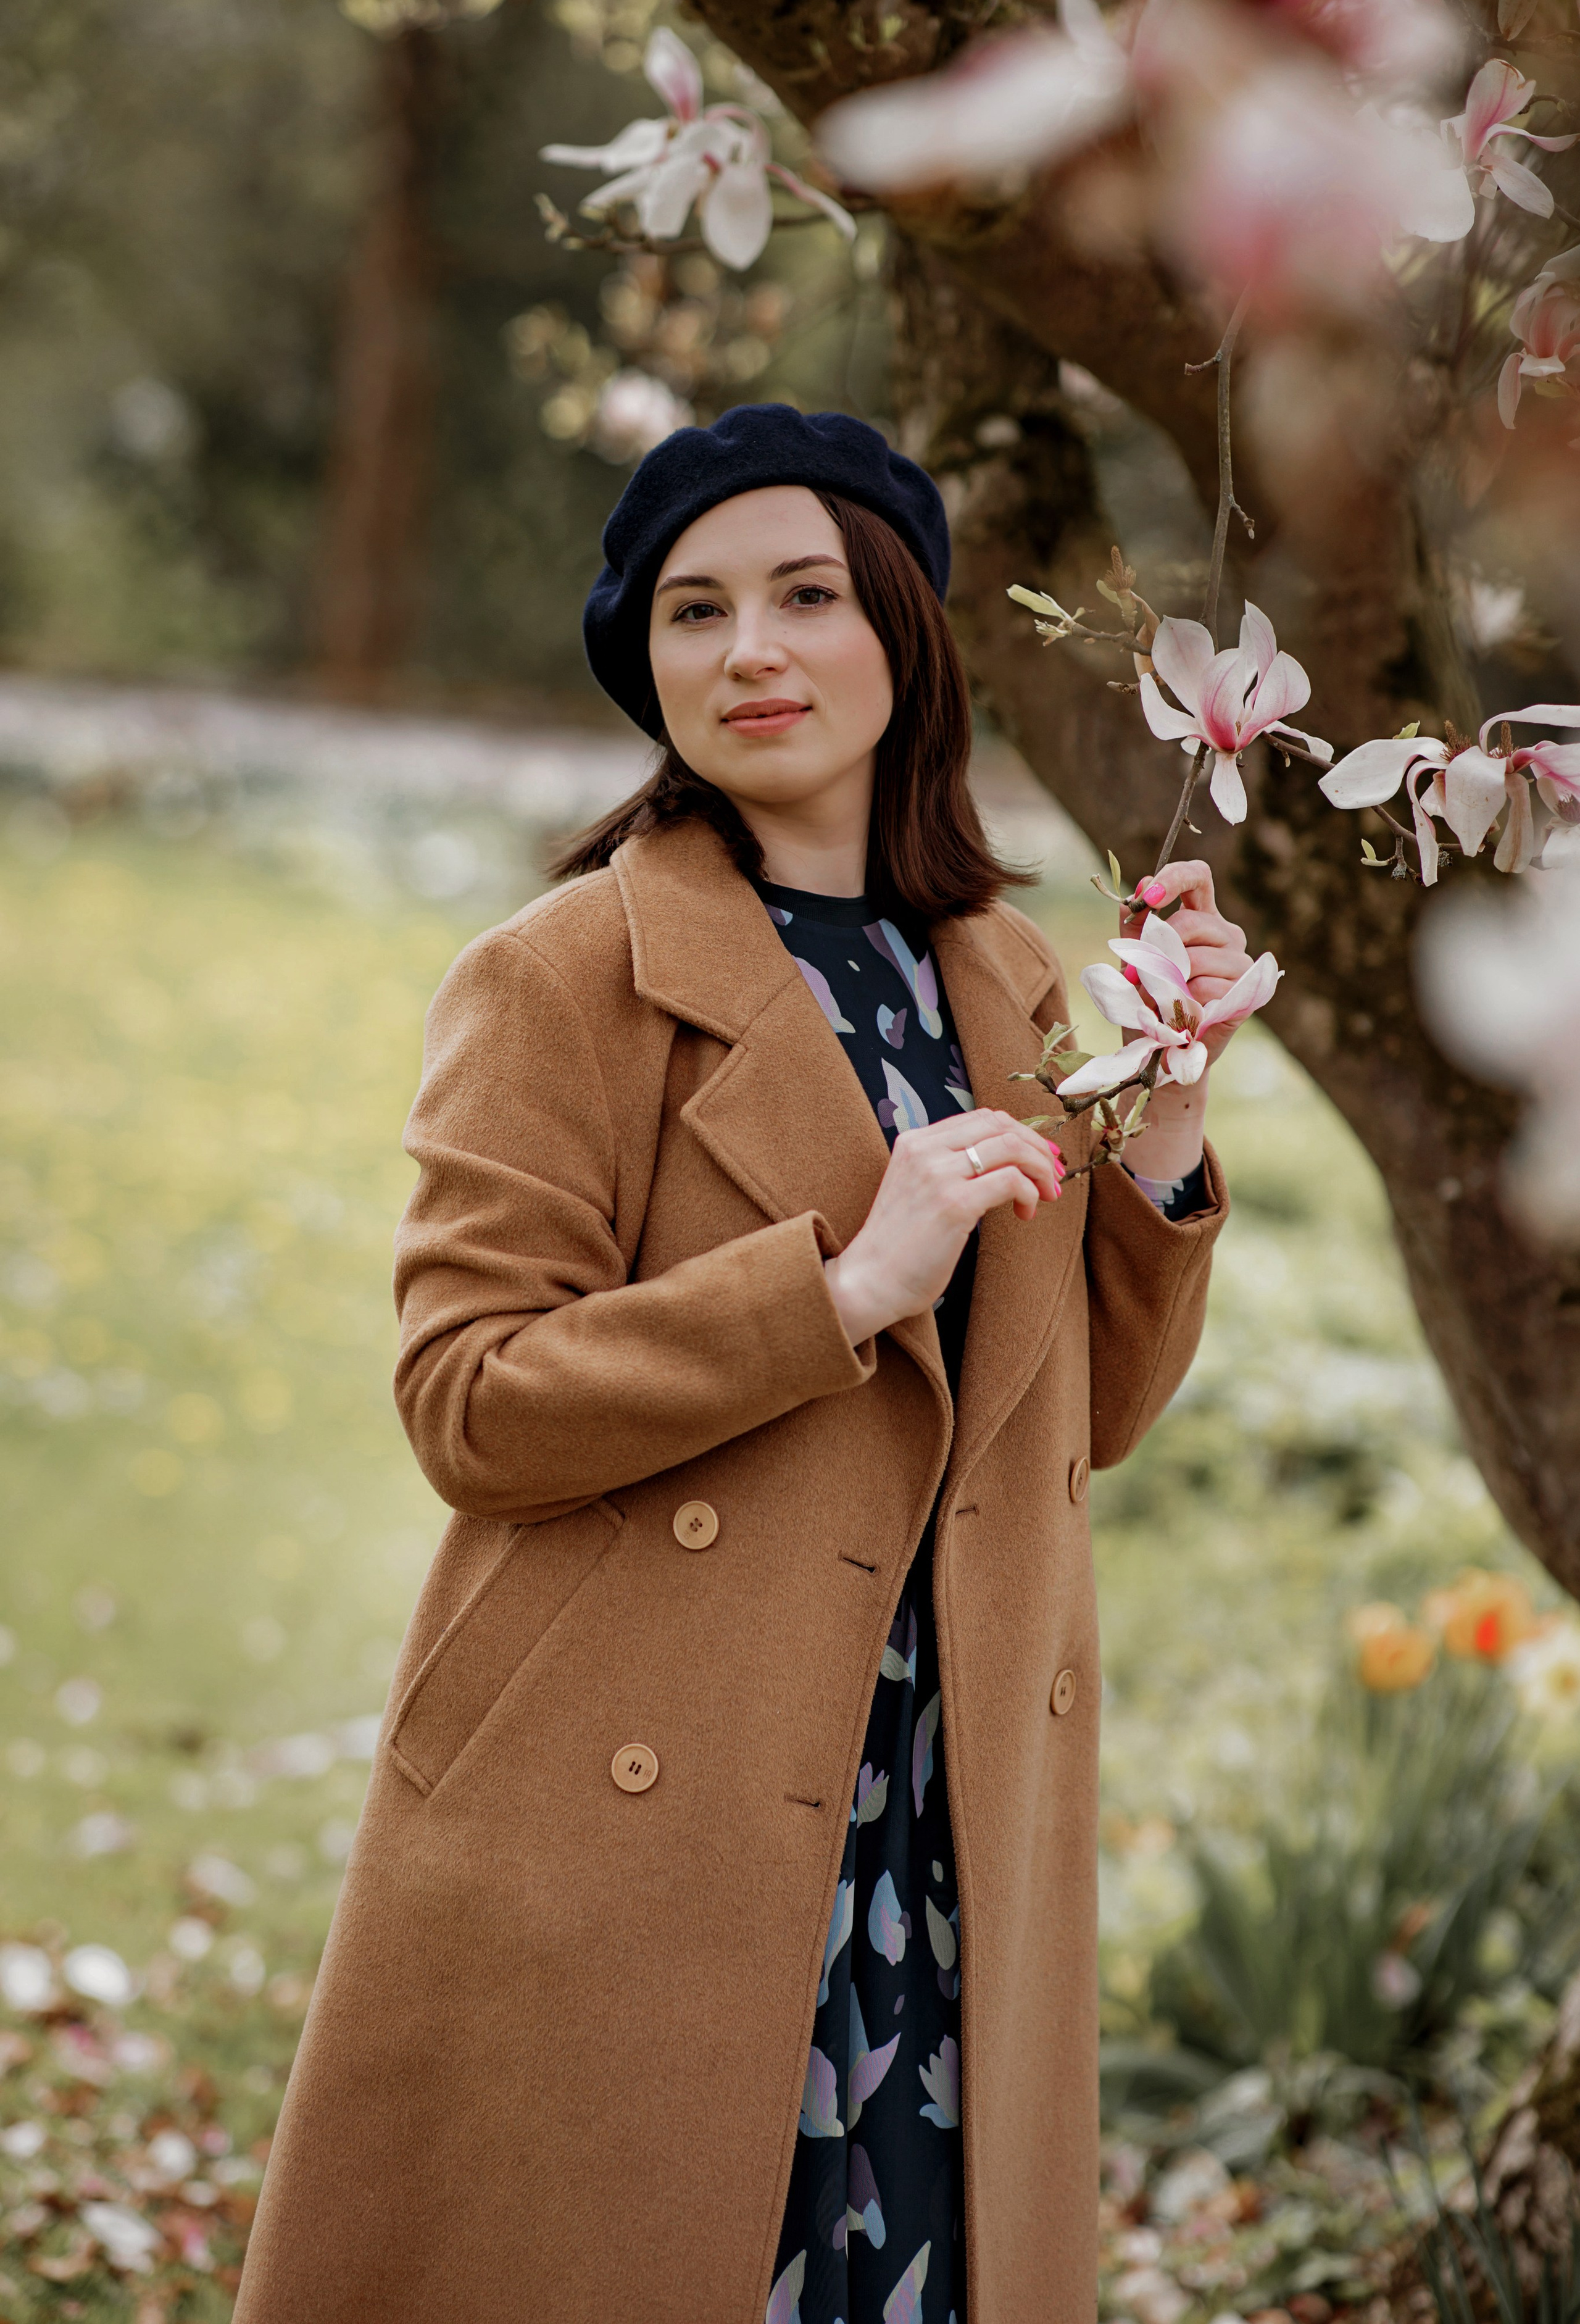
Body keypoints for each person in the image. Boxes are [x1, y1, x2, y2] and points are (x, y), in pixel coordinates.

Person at [234, 405, 1250, 2324]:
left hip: (938, 1800)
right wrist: (845, 1283)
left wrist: (1171, 1134)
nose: (751, 651)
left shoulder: (1012, 978)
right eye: (694, 614)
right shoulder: (561, 975)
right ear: (651, 672)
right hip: (649, 1797)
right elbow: (468, 1401)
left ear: (903, 632)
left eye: (805, 595)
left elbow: (1078, 1424)